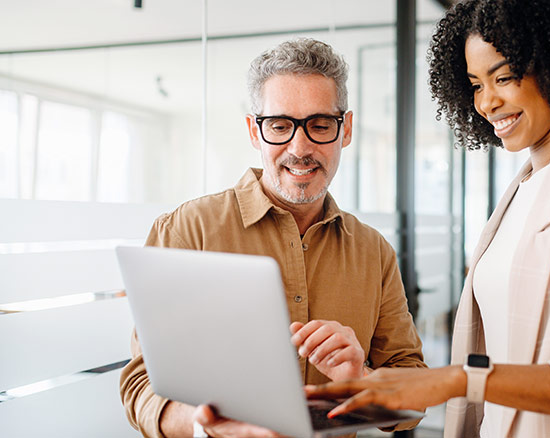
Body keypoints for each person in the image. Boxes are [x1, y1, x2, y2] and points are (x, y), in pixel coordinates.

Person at [306, 1, 550, 437]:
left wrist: (458, 379)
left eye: (503, 77)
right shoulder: (519, 190)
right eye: (475, 84)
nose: (487, 102)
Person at [119, 38, 425, 438]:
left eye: (319, 125)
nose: (299, 148)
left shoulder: (373, 251)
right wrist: (210, 427)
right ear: (254, 130)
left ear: (345, 129)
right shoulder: (186, 230)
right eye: (279, 126)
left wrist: (362, 377)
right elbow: (141, 387)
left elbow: (416, 399)